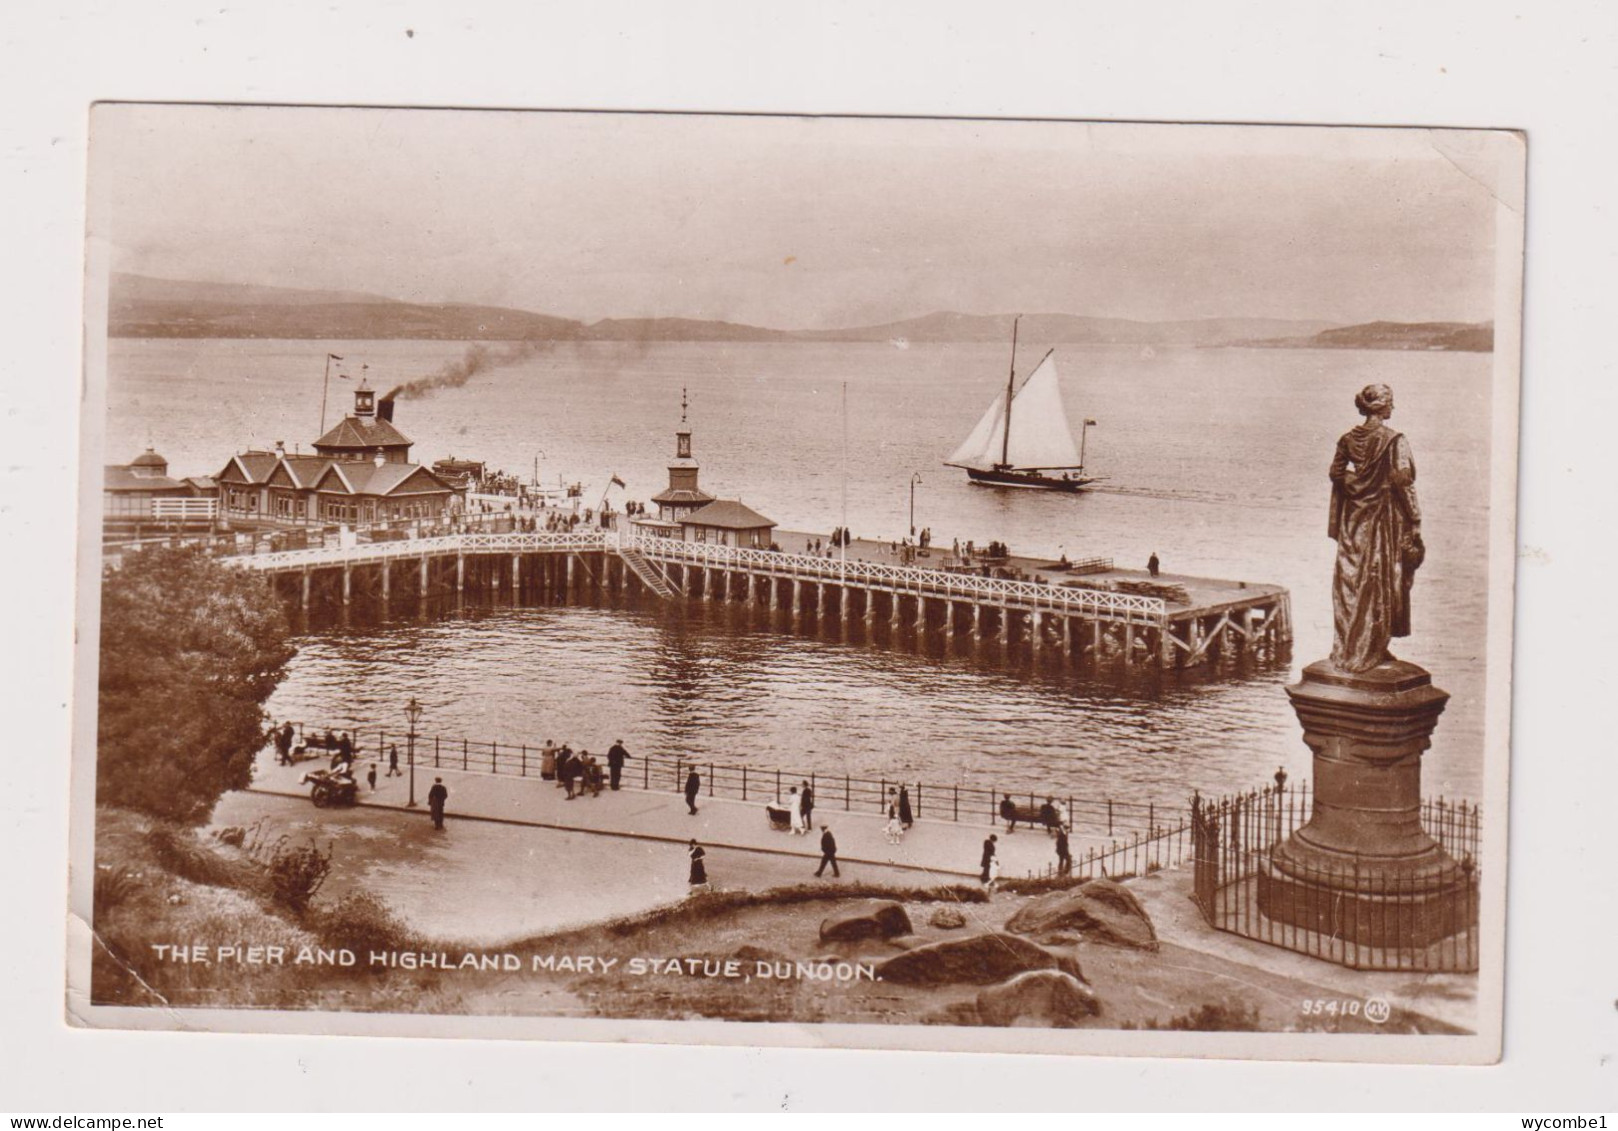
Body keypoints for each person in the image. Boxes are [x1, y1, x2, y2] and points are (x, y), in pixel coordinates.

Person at [1328, 383, 1424, 673]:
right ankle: (1372, 648)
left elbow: (1336, 473)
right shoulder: (1395, 440)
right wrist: (1416, 520)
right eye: (1390, 402)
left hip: (1353, 520)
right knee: (1381, 578)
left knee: (1352, 580)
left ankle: (1351, 646)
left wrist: (1357, 485)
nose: (1393, 407)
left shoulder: (1347, 439)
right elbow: (1404, 483)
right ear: (1381, 407)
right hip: (1383, 519)